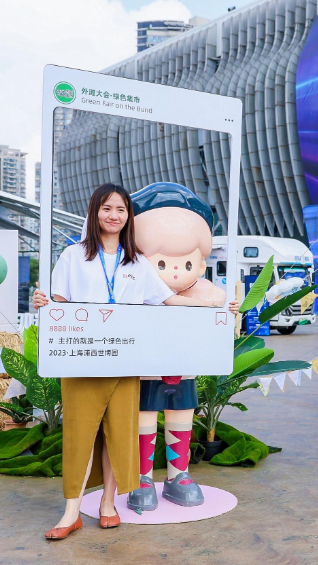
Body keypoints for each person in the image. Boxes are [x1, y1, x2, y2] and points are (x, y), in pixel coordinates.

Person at [32, 183, 231, 541]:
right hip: (83, 362)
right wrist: (42, 302)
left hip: (124, 363)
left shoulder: (136, 262)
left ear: (129, 217)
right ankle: (70, 513)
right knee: (79, 436)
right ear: (95, 212)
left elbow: (168, 300)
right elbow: (59, 302)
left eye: (121, 210)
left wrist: (215, 305)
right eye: (107, 208)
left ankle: (108, 503)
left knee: (118, 435)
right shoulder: (73, 256)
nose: (114, 216)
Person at [128, 182, 238, 510]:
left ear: (201, 264)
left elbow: (216, 312)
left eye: (187, 263)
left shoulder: (205, 292)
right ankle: (142, 477)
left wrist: (226, 310)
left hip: (184, 370)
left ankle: (178, 475)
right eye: (161, 263)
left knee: (182, 416)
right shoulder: (131, 288)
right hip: (146, 369)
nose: (175, 271)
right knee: (144, 417)